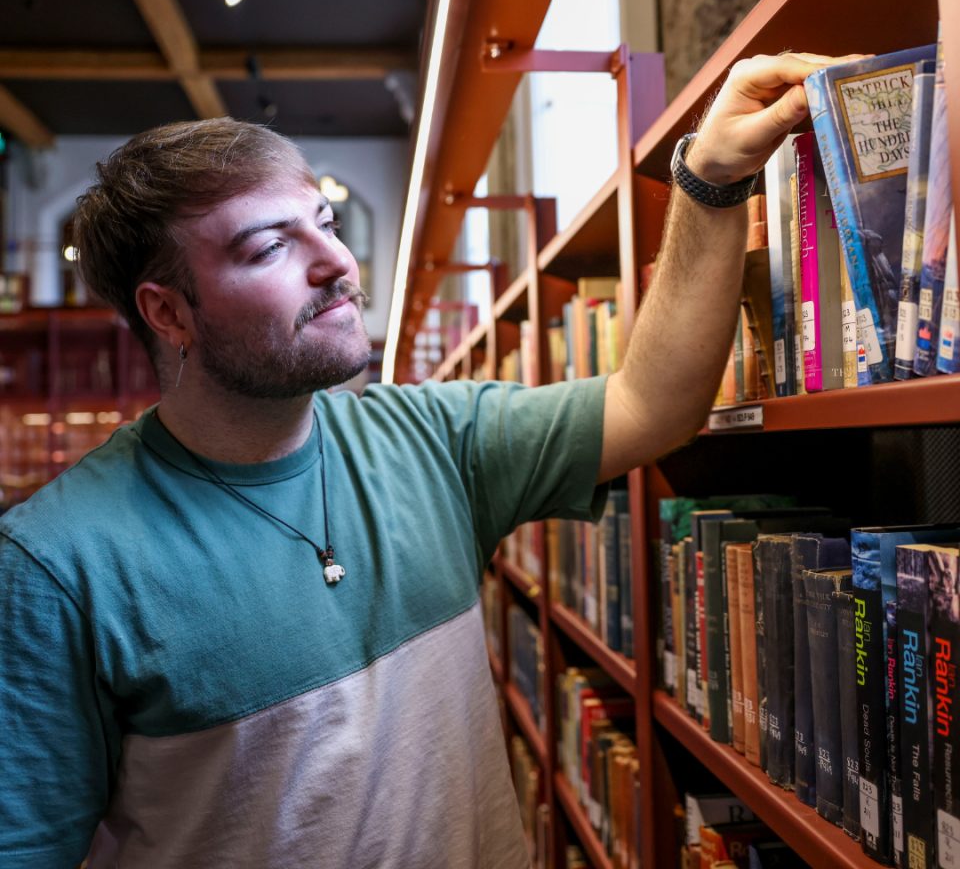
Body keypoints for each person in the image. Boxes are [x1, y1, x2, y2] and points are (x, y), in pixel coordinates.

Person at [0, 52, 855, 869]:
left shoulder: (431, 439)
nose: (336, 263)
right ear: (168, 313)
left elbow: (650, 406)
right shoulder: (57, 564)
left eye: (327, 224)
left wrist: (708, 182)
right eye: (269, 248)